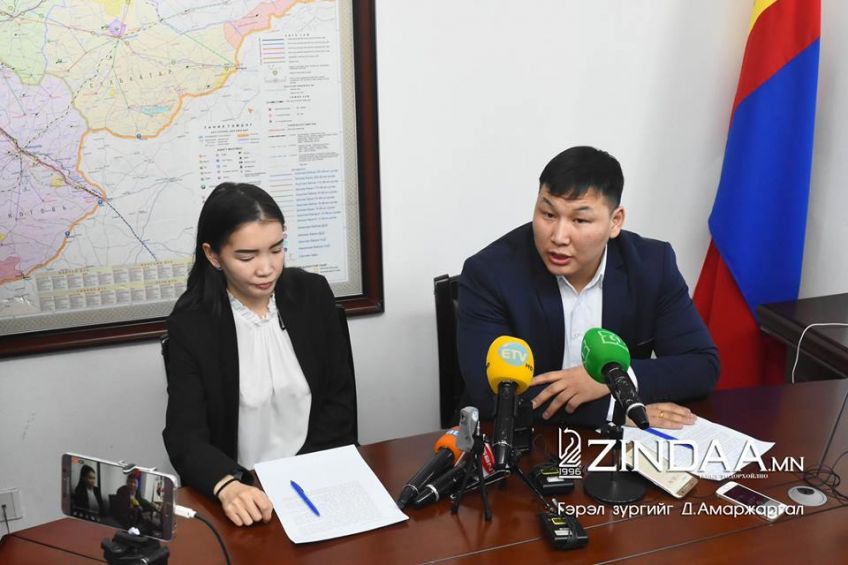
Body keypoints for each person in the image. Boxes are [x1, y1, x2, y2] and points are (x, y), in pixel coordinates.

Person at [457, 146, 719, 428]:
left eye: (579, 220)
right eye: (548, 214)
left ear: (615, 221)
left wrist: (614, 379)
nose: (558, 236)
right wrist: (615, 409)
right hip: (519, 439)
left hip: (617, 446)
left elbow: (702, 365)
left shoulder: (652, 266)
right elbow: (491, 394)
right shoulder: (490, 274)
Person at [163, 182, 357, 527]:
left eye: (276, 249)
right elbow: (185, 436)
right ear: (213, 255)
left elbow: (340, 402)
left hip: (315, 477)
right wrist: (228, 485)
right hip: (243, 491)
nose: (266, 268)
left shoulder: (312, 294)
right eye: (247, 257)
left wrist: (304, 473)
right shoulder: (192, 324)